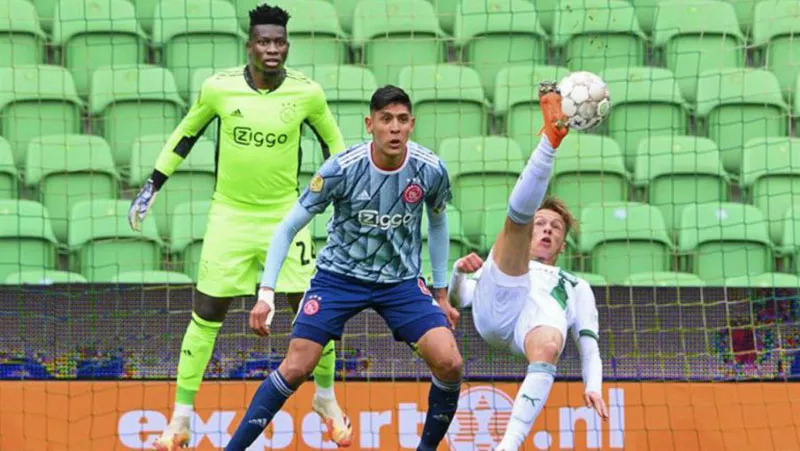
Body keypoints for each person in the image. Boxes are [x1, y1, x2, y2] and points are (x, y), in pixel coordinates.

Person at [127, 4, 349, 450]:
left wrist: (341, 196)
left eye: (279, 42)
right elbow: (185, 136)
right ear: (249, 45)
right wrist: (152, 185)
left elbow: (335, 146)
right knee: (206, 313)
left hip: (287, 216)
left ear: (287, 46)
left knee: (313, 310)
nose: (272, 49)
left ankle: (325, 398)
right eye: (264, 41)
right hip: (229, 216)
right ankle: (180, 420)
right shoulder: (219, 89)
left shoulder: (308, 93)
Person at [223, 85, 463, 451]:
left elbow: (439, 222)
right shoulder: (341, 169)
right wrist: (266, 293)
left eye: (402, 120)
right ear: (370, 124)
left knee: (450, 362)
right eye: (385, 119)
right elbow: (287, 228)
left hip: (400, 283)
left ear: (412, 124)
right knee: (297, 365)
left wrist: (441, 293)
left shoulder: (430, 169)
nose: (394, 128)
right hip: (338, 278)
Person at [447, 83, 608, 451]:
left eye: (556, 227)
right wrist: (458, 272)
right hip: (496, 307)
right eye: (542, 224)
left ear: (563, 243)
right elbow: (459, 299)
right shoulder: (511, 252)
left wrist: (594, 386)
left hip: (531, 331)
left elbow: (589, 346)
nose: (547, 230)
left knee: (552, 343)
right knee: (515, 225)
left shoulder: (577, 287)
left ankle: (507, 446)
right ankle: (550, 141)